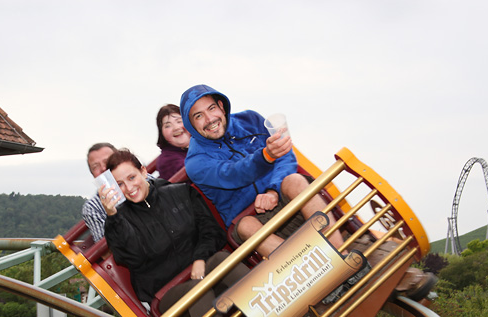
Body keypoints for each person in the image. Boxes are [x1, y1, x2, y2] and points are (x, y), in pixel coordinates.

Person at [179, 84, 436, 301]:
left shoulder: (250, 120)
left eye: (211, 108)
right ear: (191, 125)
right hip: (253, 218)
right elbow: (233, 174)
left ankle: (341, 258)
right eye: (198, 116)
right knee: (246, 226)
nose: (209, 119)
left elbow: (285, 156)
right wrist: (265, 155)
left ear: (221, 106)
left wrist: (273, 189)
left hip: (284, 199)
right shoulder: (195, 162)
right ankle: (317, 273)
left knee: (294, 180)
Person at [99, 149, 249, 317]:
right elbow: (132, 257)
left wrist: (200, 258)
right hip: (171, 297)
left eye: (131, 177)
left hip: (202, 273)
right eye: (120, 184)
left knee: (223, 260)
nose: (129, 188)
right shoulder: (119, 222)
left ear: (143, 172)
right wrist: (113, 217)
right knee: (197, 291)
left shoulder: (179, 192)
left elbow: (211, 230)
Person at [81, 142, 116, 241]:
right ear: (93, 175)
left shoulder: (142, 182)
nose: (103, 168)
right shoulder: (93, 207)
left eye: (107, 161)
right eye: (96, 166)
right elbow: (106, 246)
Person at [155, 104, 190, 181]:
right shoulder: (167, 160)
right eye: (168, 126)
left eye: (179, 121)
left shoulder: (203, 145)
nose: (176, 128)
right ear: (162, 133)